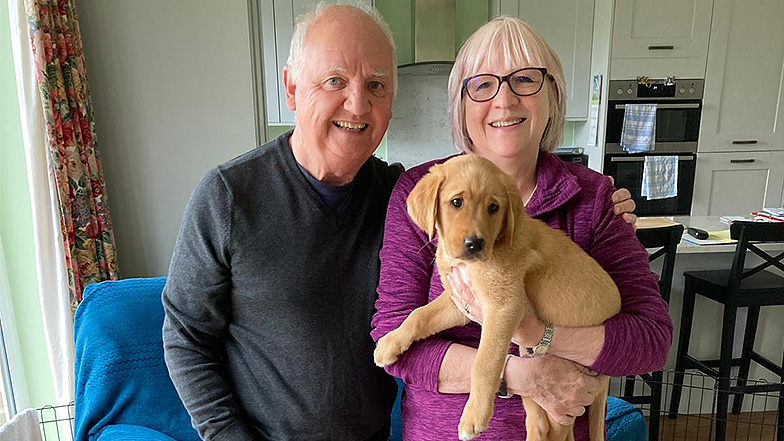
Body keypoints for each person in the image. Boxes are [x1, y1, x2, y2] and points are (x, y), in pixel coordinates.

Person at [162, 4, 638, 440]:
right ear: (290, 87)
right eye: (334, 81)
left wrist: (610, 208)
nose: (356, 105)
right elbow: (186, 336)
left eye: (375, 85)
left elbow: (647, 338)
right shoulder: (230, 195)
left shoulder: (396, 192)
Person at [370, 16, 673, 441]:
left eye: (525, 80)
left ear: (553, 95)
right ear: (461, 102)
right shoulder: (421, 191)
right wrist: (524, 375)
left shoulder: (595, 198)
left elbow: (650, 341)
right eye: (482, 85)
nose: (504, 100)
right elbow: (394, 344)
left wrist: (540, 334)